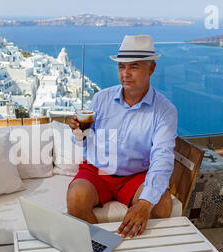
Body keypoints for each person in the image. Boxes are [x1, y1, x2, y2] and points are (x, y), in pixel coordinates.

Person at [67, 35, 178, 239]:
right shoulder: (101, 99)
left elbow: (162, 157)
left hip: (136, 175)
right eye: (121, 67)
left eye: (134, 67)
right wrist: (77, 131)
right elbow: (83, 141)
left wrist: (145, 203)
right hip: (97, 170)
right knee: (76, 197)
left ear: (151, 69)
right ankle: (101, 246)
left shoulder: (165, 111)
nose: (125, 74)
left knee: (161, 204)